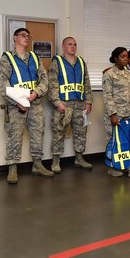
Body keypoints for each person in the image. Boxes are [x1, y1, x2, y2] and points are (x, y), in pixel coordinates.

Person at [0, 27, 53, 183]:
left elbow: (44, 79)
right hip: (16, 106)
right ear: (15, 38)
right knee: (14, 136)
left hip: (35, 104)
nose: (26, 38)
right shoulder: (7, 58)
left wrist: (37, 92)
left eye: (28, 36)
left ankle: (37, 164)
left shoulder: (35, 58)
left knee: (37, 135)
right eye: (23, 35)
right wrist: (18, 102)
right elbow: (3, 84)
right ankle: (12, 168)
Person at [47, 37, 93, 172]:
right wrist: (57, 103)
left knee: (81, 132)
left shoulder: (81, 62)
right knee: (58, 132)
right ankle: (55, 161)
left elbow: (87, 83)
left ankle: (79, 158)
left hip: (80, 104)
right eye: (69, 44)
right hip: (63, 104)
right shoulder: (57, 62)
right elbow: (52, 85)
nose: (73, 47)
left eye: (74, 44)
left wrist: (89, 101)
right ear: (63, 46)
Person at [102, 47, 130, 177]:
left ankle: (125, 164)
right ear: (115, 58)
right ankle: (113, 167)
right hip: (116, 114)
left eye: (127, 57)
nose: (126, 59)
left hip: (129, 114)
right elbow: (107, 96)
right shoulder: (109, 74)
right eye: (123, 57)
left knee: (127, 141)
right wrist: (113, 115)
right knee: (113, 141)